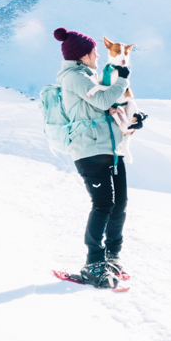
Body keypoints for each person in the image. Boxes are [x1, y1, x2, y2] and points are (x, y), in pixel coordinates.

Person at [53, 26, 132, 289]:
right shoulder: (74, 78)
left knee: (119, 204)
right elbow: (101, 101)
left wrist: (133, 119)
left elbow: (107, 107)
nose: (98, 56)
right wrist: (123, 80)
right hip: (90, 151)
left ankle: (112, 257)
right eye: (95, 52)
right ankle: (94, 262)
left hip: (111, 148)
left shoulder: (89, 76)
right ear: (83, 55)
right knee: (103, 205)